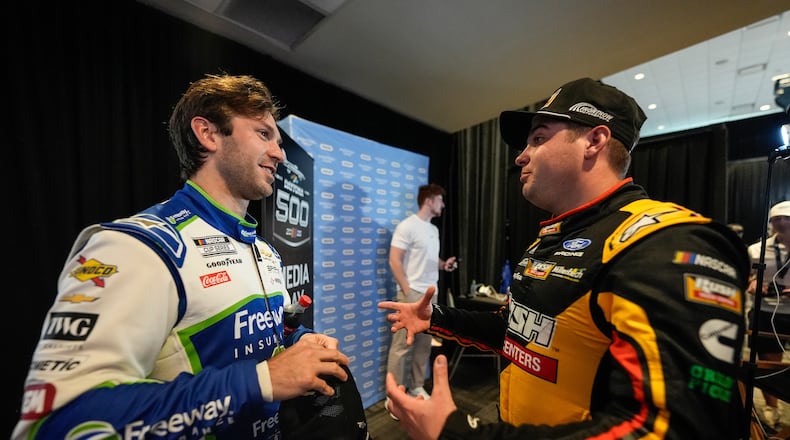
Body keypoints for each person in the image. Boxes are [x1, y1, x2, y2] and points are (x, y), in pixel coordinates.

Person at [378, 77, 750, 439]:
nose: (521, 156)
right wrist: (438, 317)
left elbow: (671, 428)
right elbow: (514, 331)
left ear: (594, 140)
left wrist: (458, 434)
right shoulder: (550, 238)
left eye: (538, 139)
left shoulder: (666, 243)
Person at [12, 74, 356, 440]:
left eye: (278, 139)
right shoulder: (137, 247)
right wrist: (262, 381)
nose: (280, 152)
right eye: (262, 133)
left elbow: (270, 336)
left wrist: (300, 341)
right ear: (208, 134)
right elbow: (58, 424)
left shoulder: (263, 250)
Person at [384, 183, 457, 418]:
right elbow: (395, 260)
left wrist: (444, 264)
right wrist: (406, 291)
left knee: (424, 344)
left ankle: (416, 386)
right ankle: (394, 397)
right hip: (412, 294)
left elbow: (429, 259)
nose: (443, 205)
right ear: (429, 200)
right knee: (402, 346)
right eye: (440, 200)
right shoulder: (407, 226)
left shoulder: (433, 230)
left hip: (431, 294)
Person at [746, 200, 790, 430]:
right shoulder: (756, 250)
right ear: (771, 223)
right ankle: (772, 406)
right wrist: (753, 283)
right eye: (777, 219)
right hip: (766, 311)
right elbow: (747, 277)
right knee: (768, 362)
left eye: (788, 219)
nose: (782, 223)